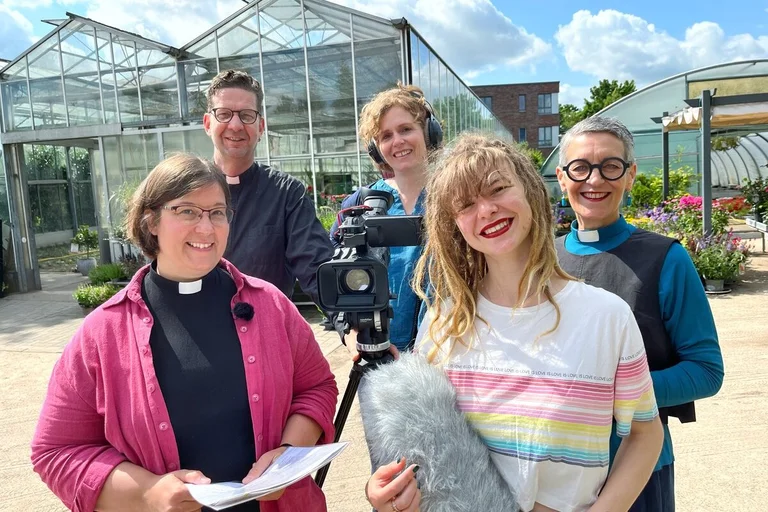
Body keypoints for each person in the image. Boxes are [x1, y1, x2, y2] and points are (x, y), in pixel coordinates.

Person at [366, 133, 664, 512]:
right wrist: (387, 493)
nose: (486, 210)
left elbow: (644, 432)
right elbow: (426, 453)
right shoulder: (443, 324)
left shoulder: (607, 317)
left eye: (497, 189)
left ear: (530, 191)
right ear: (454, 225)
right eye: (466, 204)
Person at [30, 154, 338, 512]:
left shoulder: (271, 305)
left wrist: (286, 455)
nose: (206, 228)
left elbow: (316, 387)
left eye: (217, 212)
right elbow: (57, 450)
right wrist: (147, 493)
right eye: (187, 211)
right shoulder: (102, 333)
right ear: (152, 220)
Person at [555, 117, 724, 512]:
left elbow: (706, 371)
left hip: (637, 463)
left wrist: (616, 392)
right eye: (580, 167)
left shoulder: (666, 258)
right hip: (555, 468)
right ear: (563, 178)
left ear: (630, 175)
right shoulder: (545, 258)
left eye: (610, 166)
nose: (594, 180)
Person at [329, 83, 442, 354]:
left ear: (428, 133)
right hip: (380, 350)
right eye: (386, 136)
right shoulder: (361, 204)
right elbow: (333, 271)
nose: (398, 142)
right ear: (376, 148)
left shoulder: (454, 196)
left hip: (444, 350)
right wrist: (349, 331)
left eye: (406, 129)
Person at [203, 69, 334, 305]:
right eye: (223, 114)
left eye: (246, 115)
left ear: (261, 126)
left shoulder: (286, 193)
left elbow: (316, 268)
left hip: (265, 333)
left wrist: (351, 325)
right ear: (207, 123)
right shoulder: (186, 190)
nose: (235, 125)